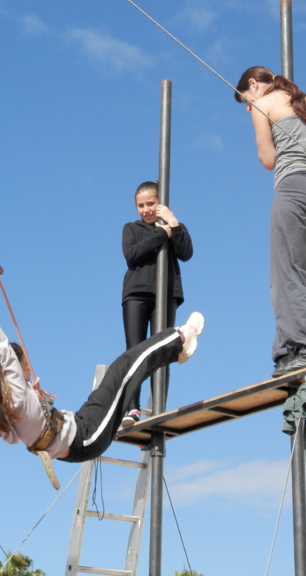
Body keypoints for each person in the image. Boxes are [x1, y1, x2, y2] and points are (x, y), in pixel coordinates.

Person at [0, 278, 205, 463]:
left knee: (120, 376)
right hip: (85, 437)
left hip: (78, 427)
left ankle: (176, 353)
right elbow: (0, 345)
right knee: (124, 368)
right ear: (12, 368)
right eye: (24, 363)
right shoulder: (14, 390)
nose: (27, 367)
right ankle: (180, 338)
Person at [234, 66, 306, 378]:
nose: (247, 106)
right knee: (305, 278)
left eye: (245, 99)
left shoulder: (262, 106)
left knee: (285, 273)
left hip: (294, 188)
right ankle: (288, 350)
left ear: (252, 85)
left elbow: (268, 160)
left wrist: (258, 111)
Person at [120, 181, 194, 427]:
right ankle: (132, 409)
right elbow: (133, 255)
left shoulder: (172, 227)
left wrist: (172, 223)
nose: (145, 209)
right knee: (135, 351)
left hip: (166, 294)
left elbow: (186, 253)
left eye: (150, 203)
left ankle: (159, 408)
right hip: (136, 294)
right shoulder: (131, 228)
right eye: (140, 205)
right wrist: (161, 234)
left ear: (160, 203)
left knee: (161, 352)